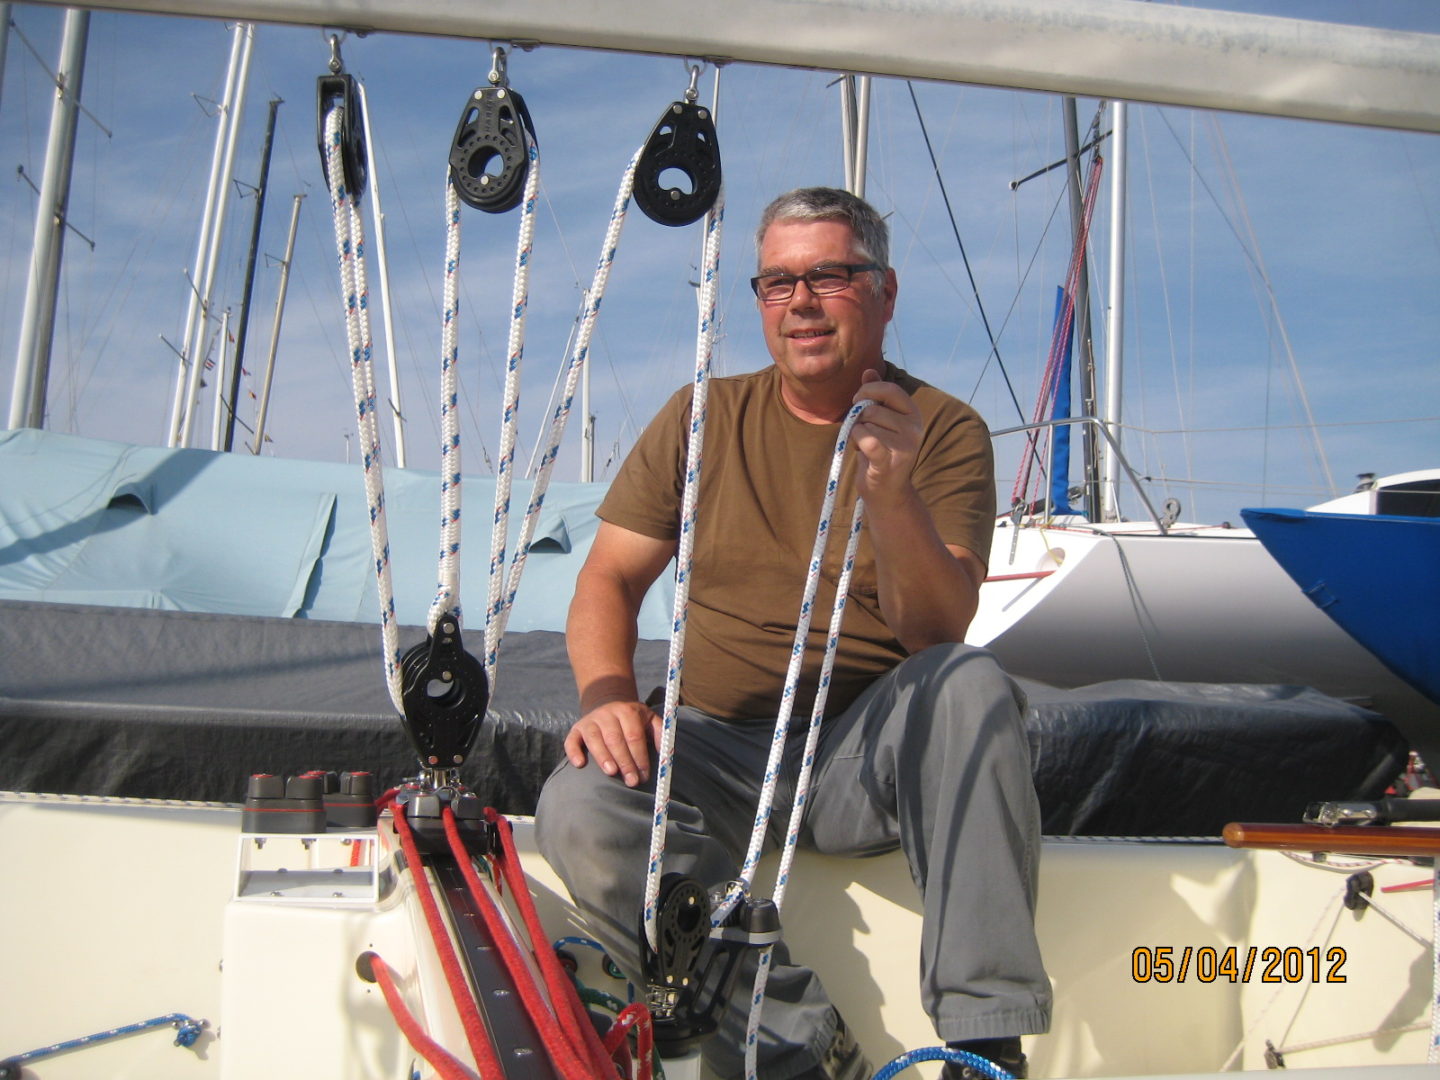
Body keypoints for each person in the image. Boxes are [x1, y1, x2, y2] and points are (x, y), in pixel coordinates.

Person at [535, 187, 1050, 1080]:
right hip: (709, 748)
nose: (800, 301)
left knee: (968, 683)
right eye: (776, 282)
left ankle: (984, 1044)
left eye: (828, 276)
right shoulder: (701, 418)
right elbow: (608, 578)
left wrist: (891, 493)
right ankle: (806, 1041)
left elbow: (937, 628)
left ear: (885, 294)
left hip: (858, 758)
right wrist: (609, 693)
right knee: (580, 807)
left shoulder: (944, 432)